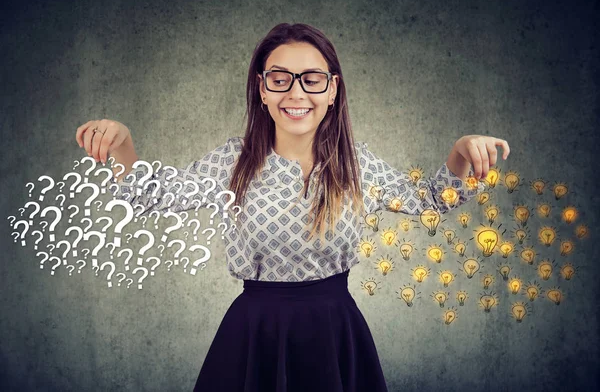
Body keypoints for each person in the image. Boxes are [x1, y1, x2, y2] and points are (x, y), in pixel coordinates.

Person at [75, 23, 509, 392]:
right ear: (262, 90)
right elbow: (151, 194)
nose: (296, 92)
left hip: (337, 334)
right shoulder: (232, 162)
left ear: (333, 90)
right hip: (254, 335)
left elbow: (430, 199)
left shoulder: (357, 166)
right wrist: (123, 144)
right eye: (280, 78)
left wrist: (460, 153)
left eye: (312, 79)